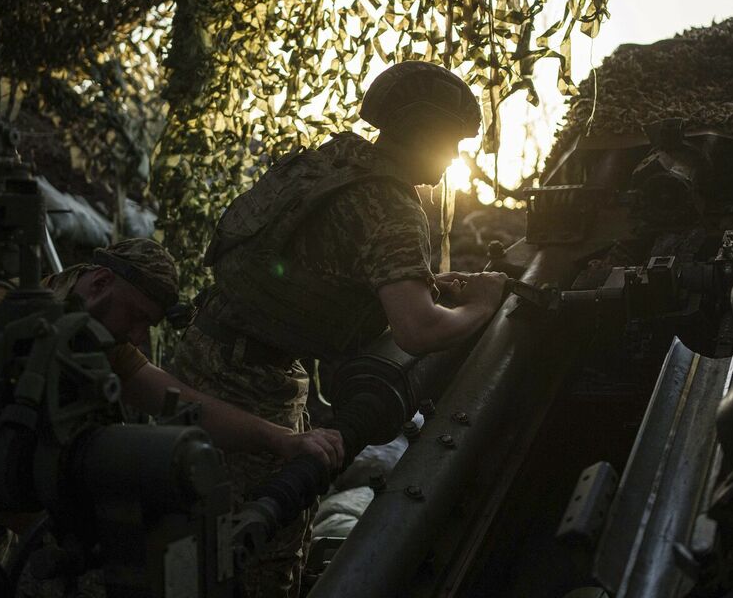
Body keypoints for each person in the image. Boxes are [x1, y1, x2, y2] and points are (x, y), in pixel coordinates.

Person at [0, 238, 344, 598]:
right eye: (138, 315)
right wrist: (12, 500)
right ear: (99, 283)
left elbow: (182, 405)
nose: (140, 337)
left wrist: (282, 441)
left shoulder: (96, 338)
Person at [174, 60, 509, 597]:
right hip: (254, 387)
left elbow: (327, 260)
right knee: (257, 553)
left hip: (203, 352)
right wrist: (485, 305)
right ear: (423, 132)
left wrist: (419, 280)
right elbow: (418, 331)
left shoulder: (334, 160)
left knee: (186, 529)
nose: (454, 157)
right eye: (450, 142)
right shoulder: (394, 205)